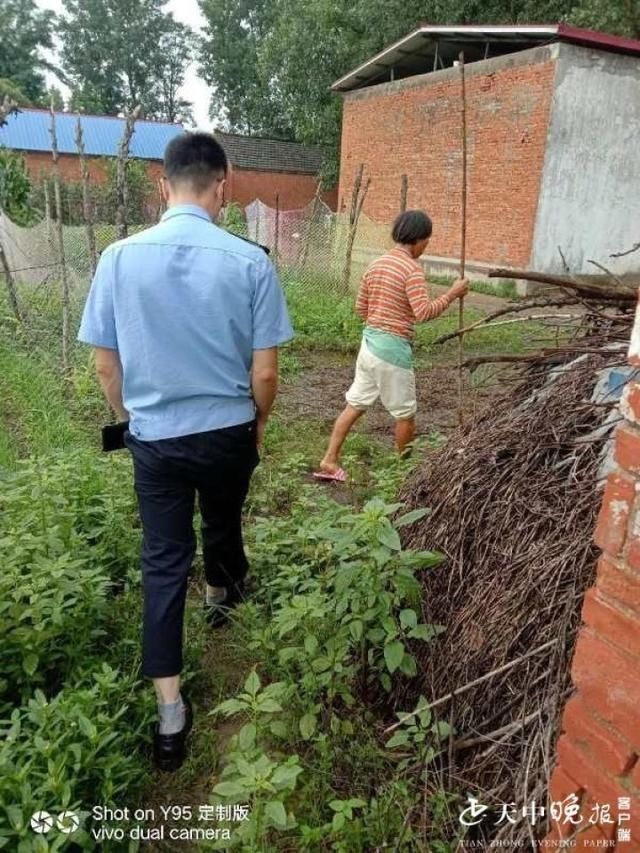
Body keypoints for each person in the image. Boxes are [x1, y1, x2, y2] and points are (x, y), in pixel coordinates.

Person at [77, 132, 293, 772]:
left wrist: (128, 421)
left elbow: (105, 364)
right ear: (223, 185)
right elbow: (267, 374)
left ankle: (170, 710)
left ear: (161, 184)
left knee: (164, 558)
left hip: (156, 439)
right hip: (227, 429)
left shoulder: (116, 258)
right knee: (223, 515)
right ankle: (225, 592)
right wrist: (257, 424)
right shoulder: (251, 261)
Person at [315, 209, 468, 481]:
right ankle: (402, 474)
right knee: (405, 415)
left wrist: (383, 314)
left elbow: (361, 308)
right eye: (427, 240)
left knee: (355, 404)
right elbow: (423, 313)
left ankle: (329, 459)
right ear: (418, 239)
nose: (426, 246)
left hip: (368, 346)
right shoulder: (411, 270)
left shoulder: (375, 265)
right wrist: (452, 294)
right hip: (392, 352)